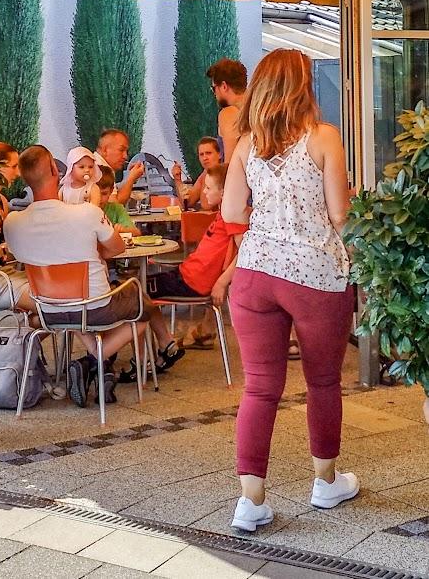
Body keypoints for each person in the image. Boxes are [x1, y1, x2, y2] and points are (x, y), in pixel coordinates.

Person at [221, 49, 357, 534]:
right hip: (315, 273)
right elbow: (340, 214)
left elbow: (233, 213)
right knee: (322, 382)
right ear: (304, 87)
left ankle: (250, 502)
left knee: (260, 387)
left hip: (255, 273)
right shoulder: (324, 138)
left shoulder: (245, 145)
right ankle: (325, 481)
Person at [5, 146, 180, 406]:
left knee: (77, 309)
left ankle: (94, 365)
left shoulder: (13, 222)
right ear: (56, 171)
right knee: (141, 305)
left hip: (47, 311)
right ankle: (94, 359)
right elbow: (117, 248)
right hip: (95, 307)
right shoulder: (88, 213)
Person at [150, 164, 247, 349]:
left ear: (225, 192)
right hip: (186, 275)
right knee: (138, 288)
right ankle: (168, 342)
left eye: (209, 188)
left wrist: (222, 282)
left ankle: (163, 346)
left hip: (192, 281)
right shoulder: (223, 213)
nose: (204, 191)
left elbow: (246, 251)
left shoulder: (231, 215)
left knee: (136, 292)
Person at [0, 142, 33, 313]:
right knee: (47, 299)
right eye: (14, 166)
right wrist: (6, 248)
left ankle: (31, 336)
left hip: (3, 272)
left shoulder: (1, 201)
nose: (18, 173)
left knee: (54, 291)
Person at [208, 58, 248, 161]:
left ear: (224, 86)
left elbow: (230, 163)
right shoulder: (256, 110)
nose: (214, 94)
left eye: (214, 88)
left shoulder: (229, 113)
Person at [95, 129, 145, 205]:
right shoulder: (98, 169)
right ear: (105, 150)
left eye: (126, 151)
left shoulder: (99, 164)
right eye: (121, 150)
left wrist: (130, 176)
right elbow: (116, 206)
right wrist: (131, 179)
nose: (125, 156)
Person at [171, 136, 223, 209]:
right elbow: (188, 202)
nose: (205, 158)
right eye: (201, 154)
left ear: (219, 154)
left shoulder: (225, 174)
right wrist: (177, 179)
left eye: (208, 153)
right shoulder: (204, 174)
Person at [96, 167, 139, 235]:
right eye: (95, 193)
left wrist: (124, 230)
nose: (99, 198)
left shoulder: (117, 209)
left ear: (111, 191)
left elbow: (137, 232)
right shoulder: (82, 210)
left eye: (104, 193)